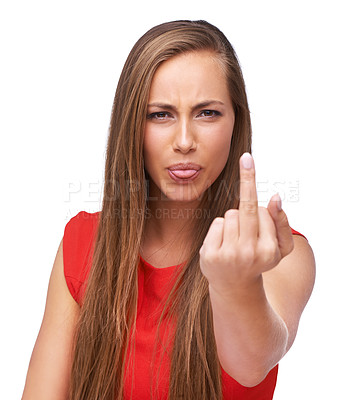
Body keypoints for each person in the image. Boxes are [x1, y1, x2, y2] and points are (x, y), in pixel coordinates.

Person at [21, 20, 316, 400]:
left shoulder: (277, 252)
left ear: (235, 122)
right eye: (160, 114)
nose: (184, 141)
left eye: (207, 113)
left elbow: (252, 363)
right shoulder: (82, 243)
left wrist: (234, 283)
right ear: (132, 126)